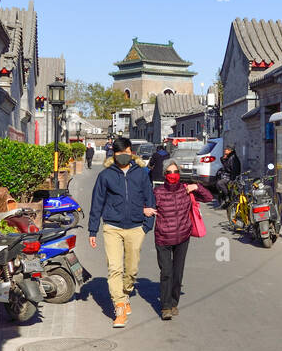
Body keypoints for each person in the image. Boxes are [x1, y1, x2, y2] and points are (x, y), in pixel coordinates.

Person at [87, 137, 154, 328]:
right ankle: (120, 306)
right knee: (115, 268)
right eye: (118, 153)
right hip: (112, 227)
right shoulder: (106, 175)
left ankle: (126, 292)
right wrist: (93, 230)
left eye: (125, 152)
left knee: (131, 269)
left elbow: (150, 199)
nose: (122, 156)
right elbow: (97, 203)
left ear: (130, 151)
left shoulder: (141, 173)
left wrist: (146, 225)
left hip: (135, 227)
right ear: (114, 154)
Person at [146, 161, 213, 321]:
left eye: (175, 171)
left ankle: (174, 302)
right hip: (163, 238)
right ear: (165, 175)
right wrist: (144, 209)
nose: (173, 174)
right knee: (166, 272)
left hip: (183, 237)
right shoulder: (158, 192)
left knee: (178, 273)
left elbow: (209, 197)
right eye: (169, 172)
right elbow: (144, 204)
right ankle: (166, 307)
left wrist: (197, 186)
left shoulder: (186, 189)